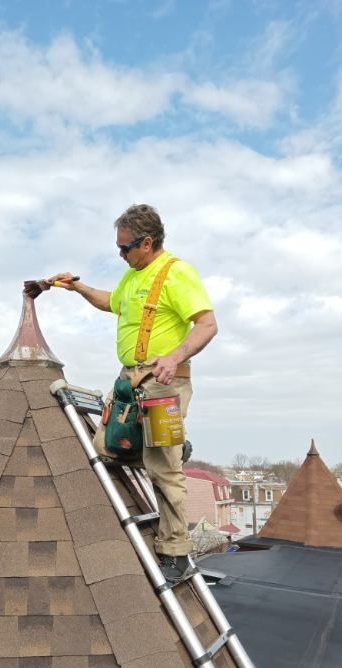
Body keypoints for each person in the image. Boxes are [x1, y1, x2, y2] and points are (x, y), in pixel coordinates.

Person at [47, 204, 217, 583]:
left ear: (147, 242)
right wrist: (77, 287)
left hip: (163, 384)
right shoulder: (133, 277)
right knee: (106, 445)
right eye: (118, 248)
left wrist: (175, 357)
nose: (121, 255)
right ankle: (172, 449)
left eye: (125, 249)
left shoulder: (177, 273)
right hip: (130, 380)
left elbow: (207, 324)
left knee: (164, 471)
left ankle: (175, 552)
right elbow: (111, 302)